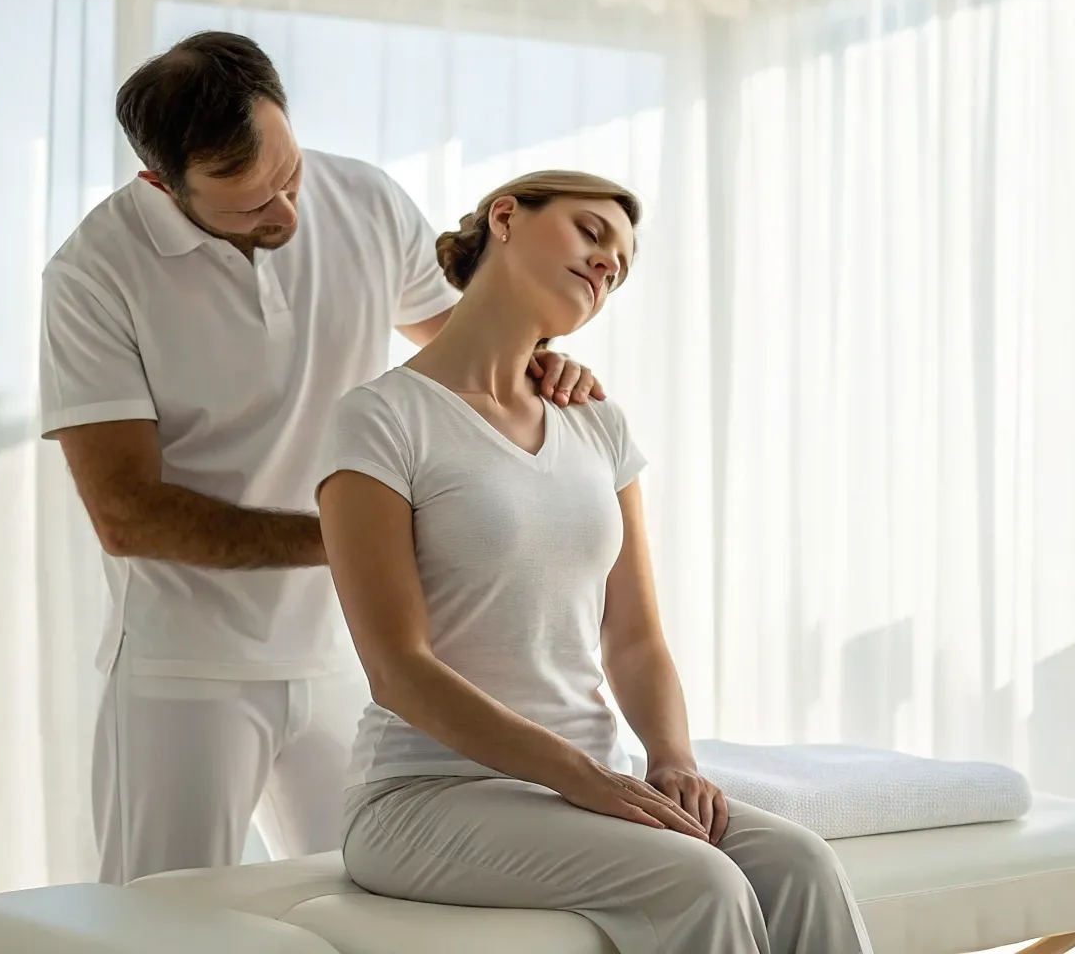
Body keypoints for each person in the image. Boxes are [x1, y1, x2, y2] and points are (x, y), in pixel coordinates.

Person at [38, 31, 607, 885]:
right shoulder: (93, 274)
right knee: (159, 923)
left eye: (290, 175)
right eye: (249, 206)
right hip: (186, 667)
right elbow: (127, 514)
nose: (287, 214)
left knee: (381, 899)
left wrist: (543, 363)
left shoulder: (367, 202)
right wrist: (359, 541)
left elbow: (466, 349)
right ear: (162, 185)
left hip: (352, 658)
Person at [317, 170, 873, 954]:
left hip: (587, 786)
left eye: (621, 266)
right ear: (505, 217)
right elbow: (397, 669)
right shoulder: (380, 418)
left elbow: (635, 639)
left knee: (801, 865)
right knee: (700, 882)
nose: (608, 263)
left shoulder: (596, 423)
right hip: (425, 794)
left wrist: (672, 760)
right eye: (591, 232)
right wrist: (582, 777)